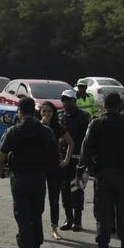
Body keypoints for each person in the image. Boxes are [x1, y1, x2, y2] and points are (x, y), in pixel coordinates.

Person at [80, 92, 124, 248]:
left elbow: (86, 148)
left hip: (103, 175)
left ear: (104, 105)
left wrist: (83, 169)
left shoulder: (96, 123)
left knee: (102, 216)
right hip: (123, 176)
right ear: (120, 105)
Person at [0, 97, 57, 248]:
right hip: (39, 178)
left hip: (20, 179)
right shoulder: (46, 131)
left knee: (23, 218)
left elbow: (1, 158)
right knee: (36, 215)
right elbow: (53, 155)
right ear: (35, 111)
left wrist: (2, 171)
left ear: (20, 111)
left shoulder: (13, 131)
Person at [39, 102, 74, 240]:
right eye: (44, 111)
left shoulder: (57, 127)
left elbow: (71, 143)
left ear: (53, 113)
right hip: (40, 167)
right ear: (40, 112)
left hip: (54, 167)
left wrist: (66, 160)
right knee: (38, 199)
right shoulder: (36, 126)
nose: (47, 114)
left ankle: (54, 228)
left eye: (49, 111)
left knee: (54, 200)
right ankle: (37, 228)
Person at [59, 89, 91, 231]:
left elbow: (89, 140)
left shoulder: (84, 117)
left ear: (74, 100)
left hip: (79, 159)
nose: (65, 102)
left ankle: (78, 221)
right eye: (63, 99)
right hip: (63, 159)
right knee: (65, 189)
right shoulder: (60, 117)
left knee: (77, 190)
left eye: (67, 100)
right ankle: (68, 218)